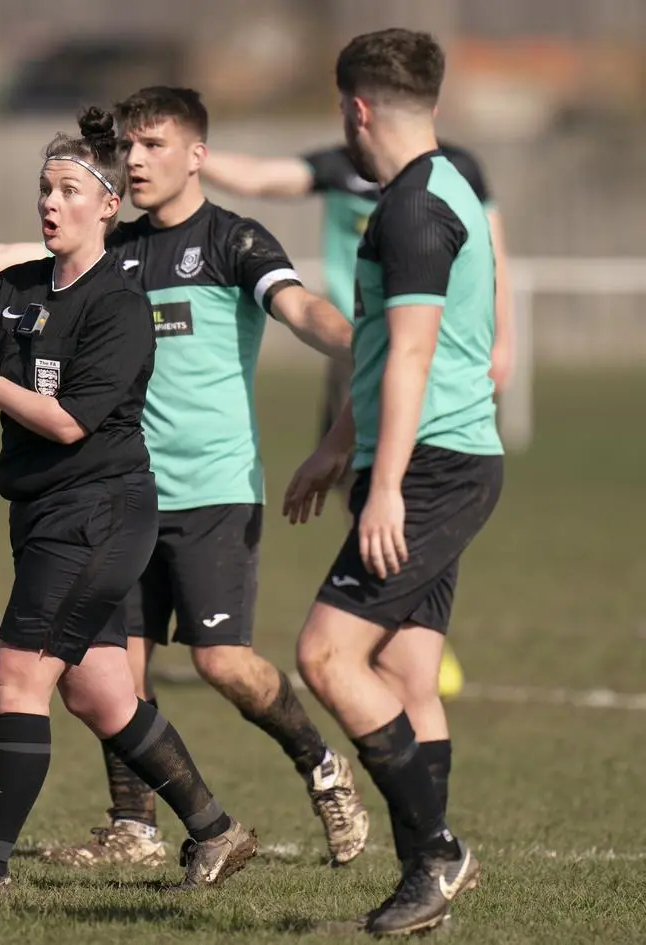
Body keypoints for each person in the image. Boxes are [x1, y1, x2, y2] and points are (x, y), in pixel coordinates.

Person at [0, 87, 370, 869]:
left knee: (221, 663)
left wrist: (369, 348)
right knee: (108, 676)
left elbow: (302, 308)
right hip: (113, 492)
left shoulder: (234, 241)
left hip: (205, 489)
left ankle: (322, 767)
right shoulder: (117, 247)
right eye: (128, 148)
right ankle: (145, 827)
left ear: (196, 155)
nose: (136, 160)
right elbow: (7, 264)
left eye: (154, 146)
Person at [0, 107, 258, 901]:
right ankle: (215, 830)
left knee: (18, 674)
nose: (50, 202)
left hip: (100, 514)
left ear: (108, 204)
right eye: (43, 187)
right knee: (99, 691)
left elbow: (68, 419)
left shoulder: (118, 304)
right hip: (42, 514)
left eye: (69, 189)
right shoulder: (11, 289)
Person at [283, 28, 502, 935]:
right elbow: (385, 350)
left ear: (356, 108)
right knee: (411, 670)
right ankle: (438, 876)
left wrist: (384, 488)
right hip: (438, 457)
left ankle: (434, 856)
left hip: (430, 467)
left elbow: (411, 355)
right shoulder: (446, 184)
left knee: (327, 656)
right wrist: (340, 442)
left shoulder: (412, 212)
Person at [200, 130, 513, 702]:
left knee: (409, 489)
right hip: (354, 353)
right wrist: (191, 153)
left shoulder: (453, 174)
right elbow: (260, 178)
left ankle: (408, 621)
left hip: (423, 351)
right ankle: (385, 613)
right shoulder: (340, 166)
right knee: (355, 491)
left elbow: (495, 254)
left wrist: (504, 337)